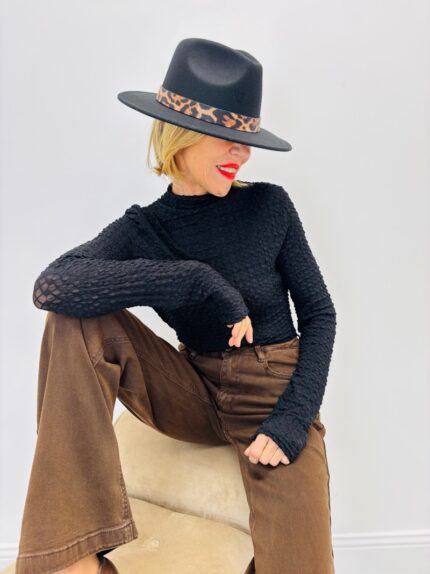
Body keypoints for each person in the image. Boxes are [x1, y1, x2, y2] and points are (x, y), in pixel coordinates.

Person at [16, 38, 337, 574]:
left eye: (247, 141)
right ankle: (74, 560)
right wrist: (192, 279)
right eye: (228, 139)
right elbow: (52, 286)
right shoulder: (144, 227)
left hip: (272, 391)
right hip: (191, 388)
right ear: (182, 135)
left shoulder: (269, 207)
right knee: (75, 319)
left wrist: (293, 419)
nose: (242, 154)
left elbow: (321, 315)